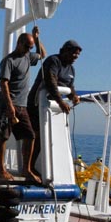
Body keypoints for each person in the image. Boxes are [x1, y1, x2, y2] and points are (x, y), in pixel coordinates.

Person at [0, 25, 45, 183]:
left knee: (30, 135)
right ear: (19, 43)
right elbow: (4, 84)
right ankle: (1, 170)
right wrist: (9, 106)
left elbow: (42, 54)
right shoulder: (9, 61)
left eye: (30, 47)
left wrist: (36, 38)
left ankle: (27, 169)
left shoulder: (27, 57)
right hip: (6, 104)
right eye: (27, 46)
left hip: (21, 106)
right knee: (3, 136)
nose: (28, 50)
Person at [27, 39, 82, 174]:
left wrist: (73, 96)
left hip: (51, 108)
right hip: (36, 103)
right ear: (65, 51)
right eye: (73, 54)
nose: (76, 57)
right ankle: (29, 167)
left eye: (78, 55)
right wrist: (61, 102)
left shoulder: (71, 69)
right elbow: (51, 82)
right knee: (36, 136)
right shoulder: (53, 61)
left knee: (46, 137)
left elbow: (69, 86)